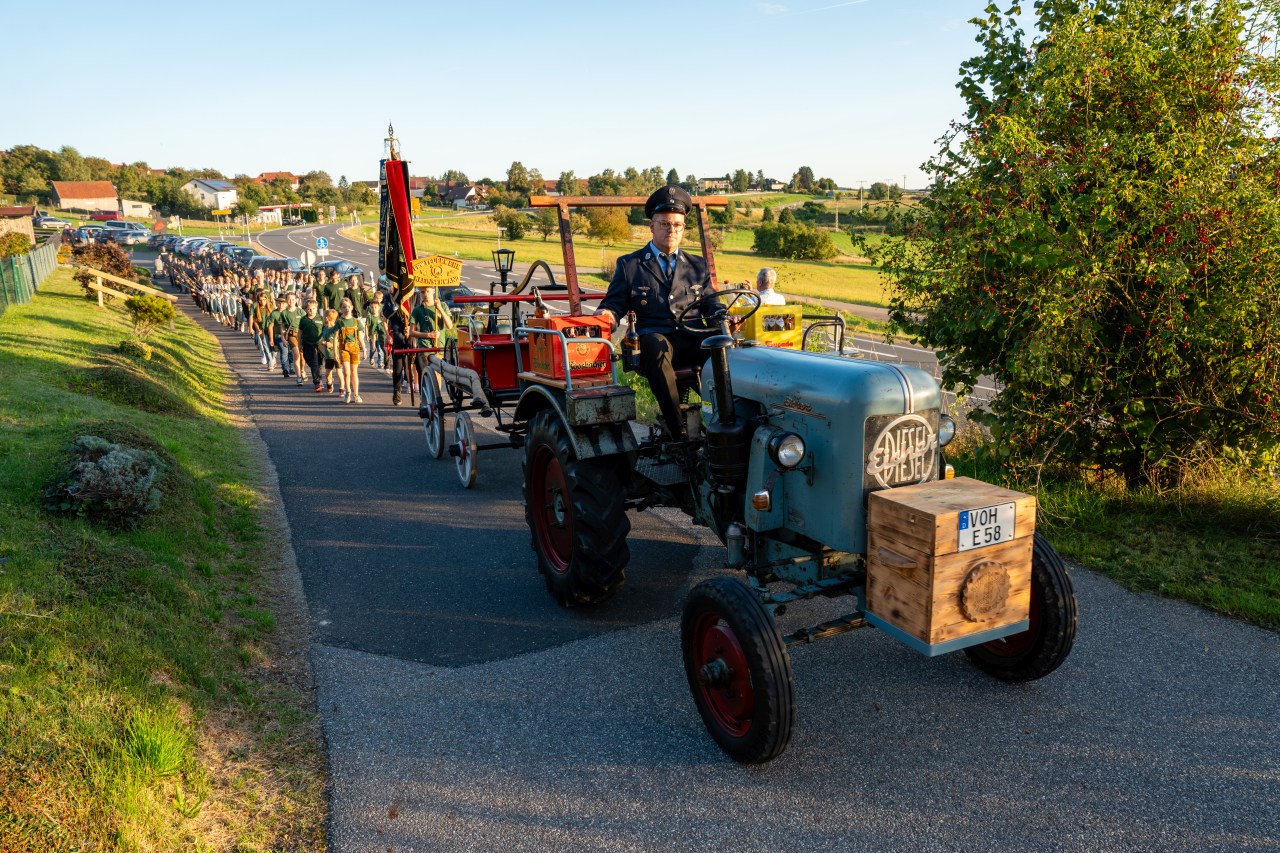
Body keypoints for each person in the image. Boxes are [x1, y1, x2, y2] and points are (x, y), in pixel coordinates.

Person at [596, 185, 717, 440]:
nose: (671, 230)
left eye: (677, 225)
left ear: (683, 228)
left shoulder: (697, 265)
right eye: (664, 224)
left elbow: (711, 303)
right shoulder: (630, 265)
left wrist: (726, 317)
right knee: (656, 346)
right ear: (652, 226)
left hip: (693, 336)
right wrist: (605, 315)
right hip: (654, 338)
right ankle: (679, 432)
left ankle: (726, 424)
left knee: (726, 347)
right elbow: (614, 304)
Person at [299, 299, 325, 392]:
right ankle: (317, 381)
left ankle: (318, 380)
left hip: (320, 344)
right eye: (309, 309)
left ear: (316, 309)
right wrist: (299, 344)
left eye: (313, 309)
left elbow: (325, 330)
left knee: (319, 363)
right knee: (312, 363)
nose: (311, 311)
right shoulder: (303, 320)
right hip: (307, 343)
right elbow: (300, 332)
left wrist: (326, 341)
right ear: (305, 309)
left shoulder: (320, 318)